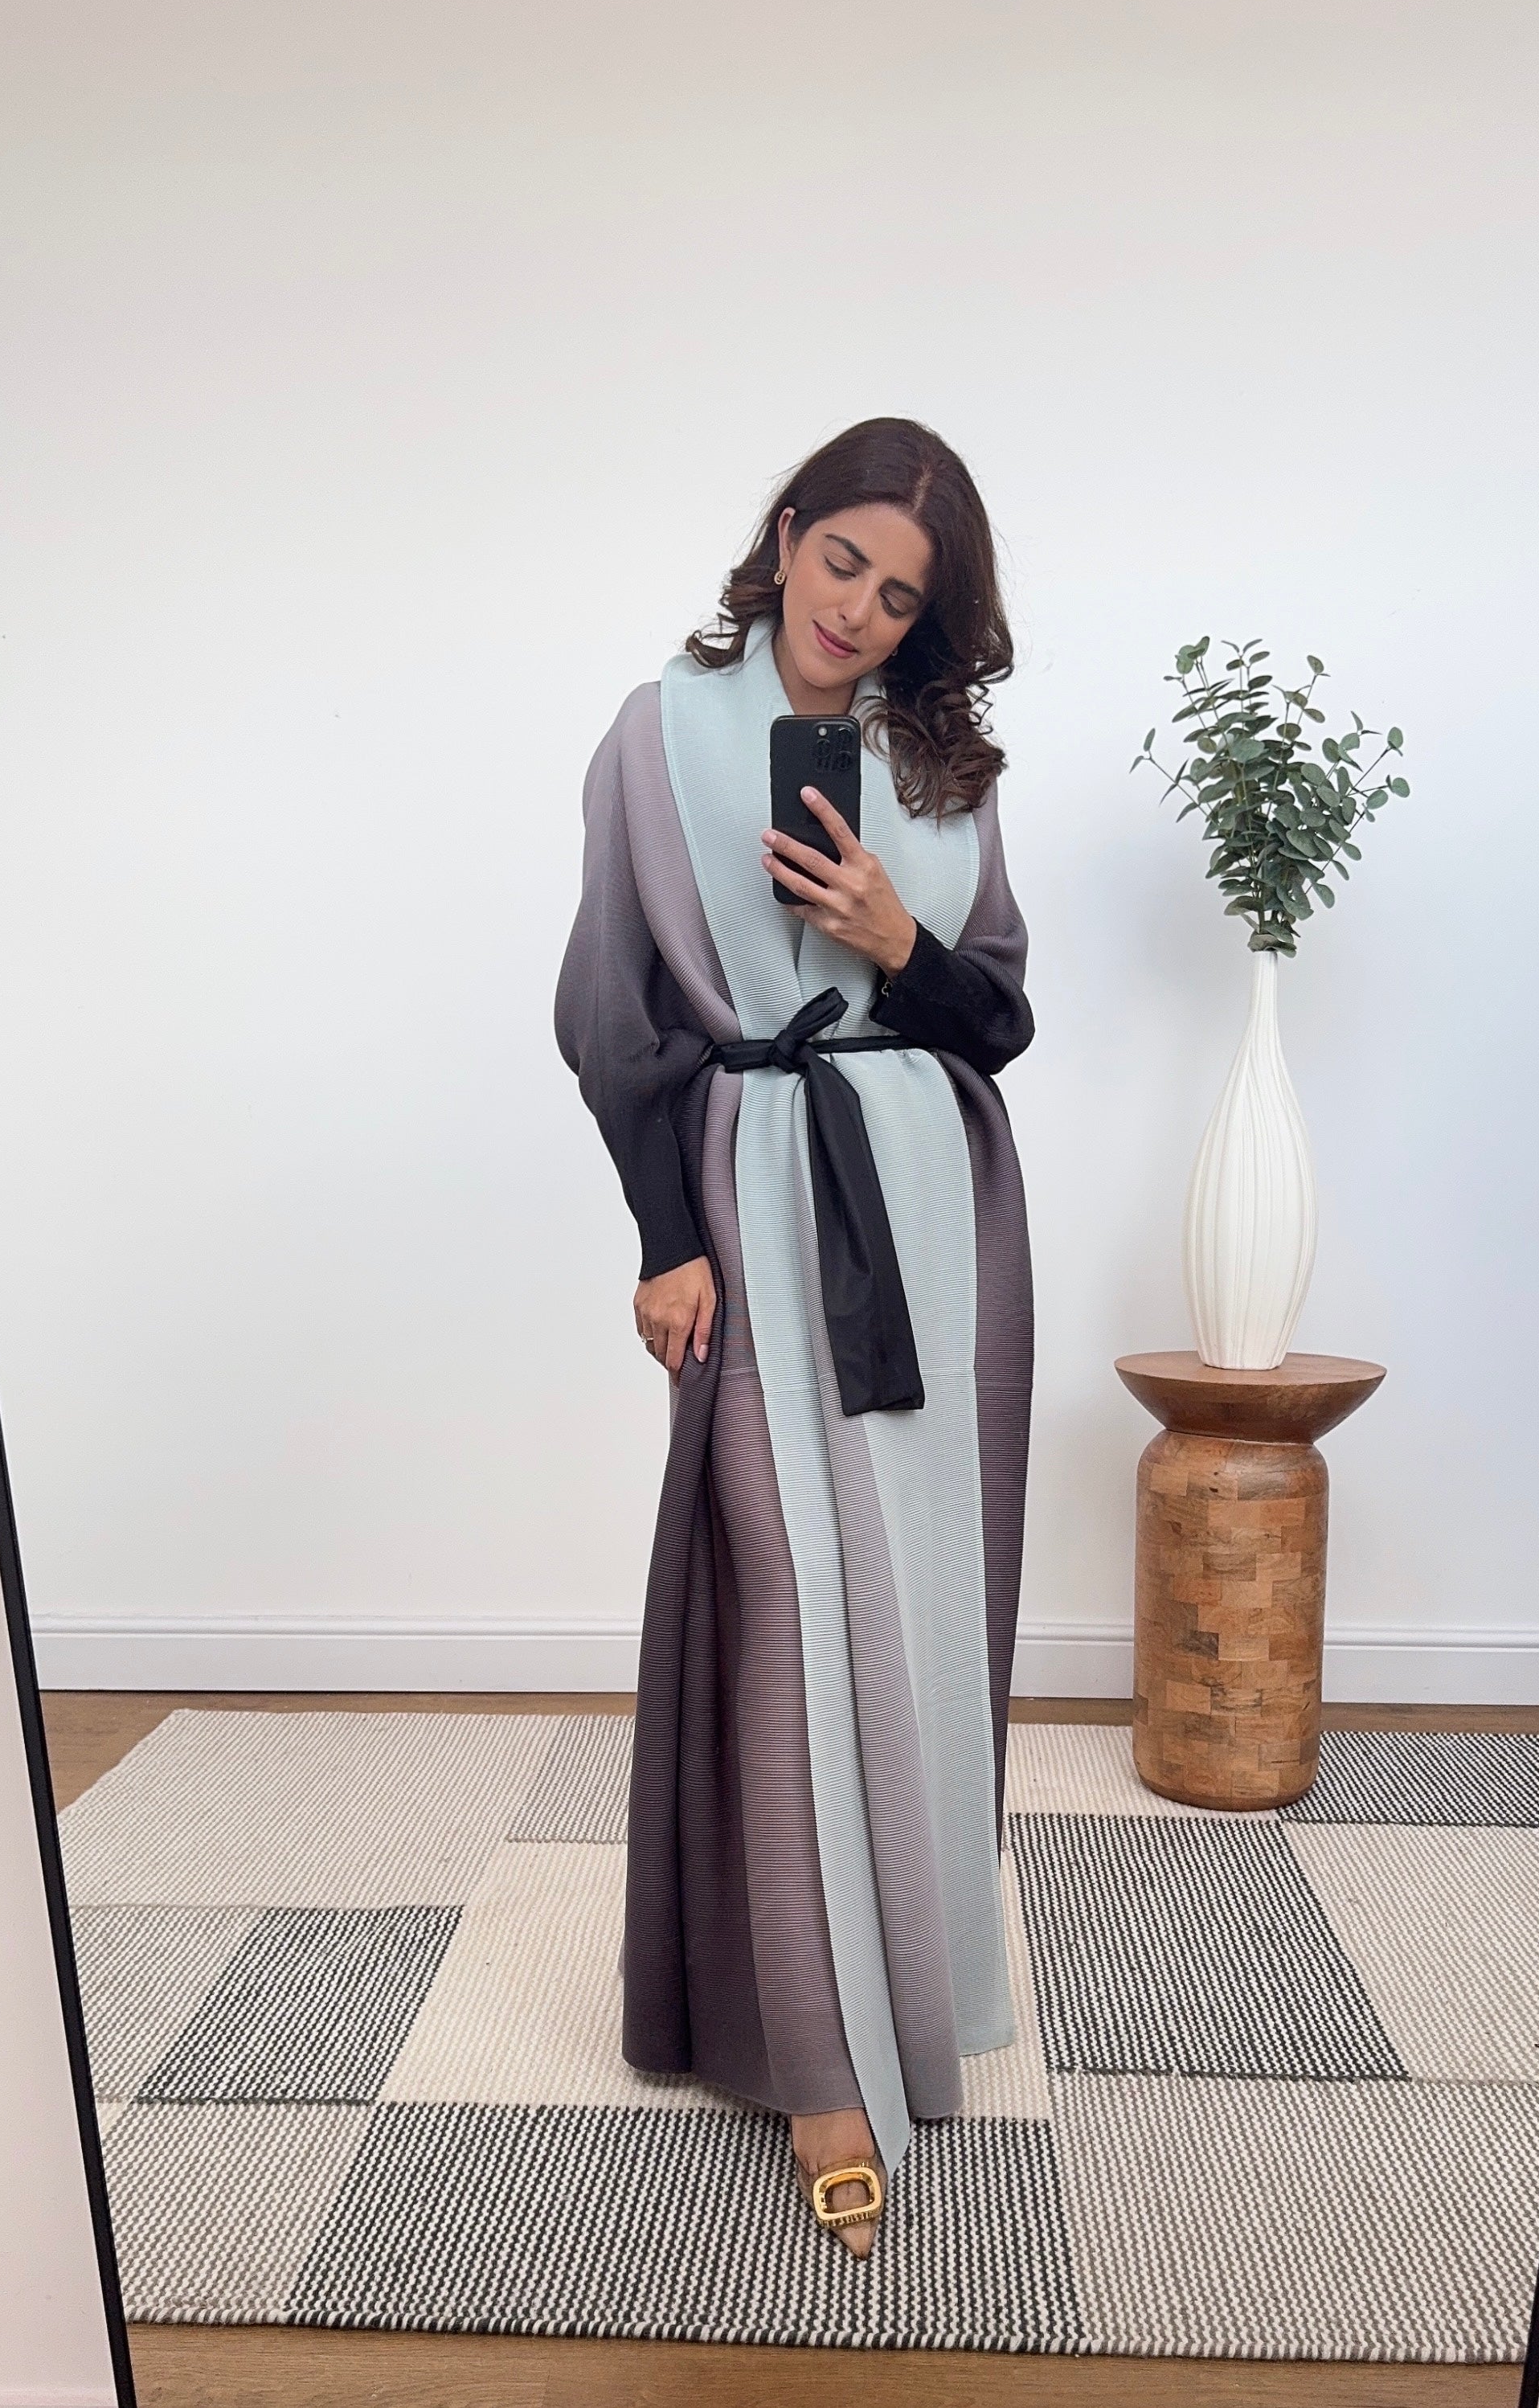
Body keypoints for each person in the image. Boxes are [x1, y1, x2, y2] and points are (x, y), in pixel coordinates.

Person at [555, 416, 1034, 2257]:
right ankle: (822, 2066)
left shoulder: (941, 772)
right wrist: (665, 1236)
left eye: (903, 595)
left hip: (924, 1212)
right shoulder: (657, 737)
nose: (859, 611)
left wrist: (899, 938)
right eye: (844, 560)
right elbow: (609, 1013)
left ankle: (911, 1993)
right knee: (788, 1594)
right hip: (753, 1195)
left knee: (902, 1612)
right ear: (783, 534)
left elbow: (999, 1025)